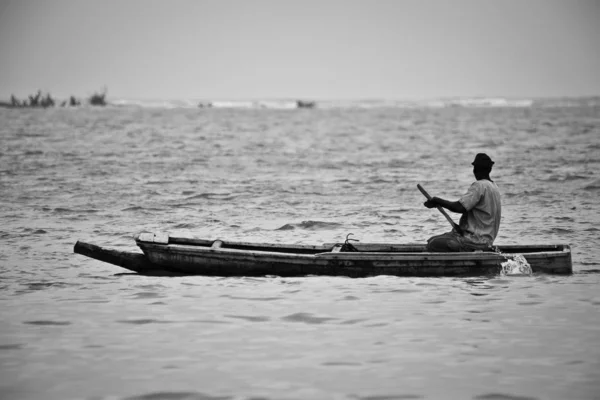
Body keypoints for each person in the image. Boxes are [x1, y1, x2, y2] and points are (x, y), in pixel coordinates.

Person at [423, 153, 501, 252]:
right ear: (489, 170)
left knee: (432, 244)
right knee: (434, 240)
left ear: (475, 169)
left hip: (473, 241)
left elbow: (459, 207)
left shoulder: (479, 186)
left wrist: (438, 201)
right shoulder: (494, 187)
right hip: (486, 241)